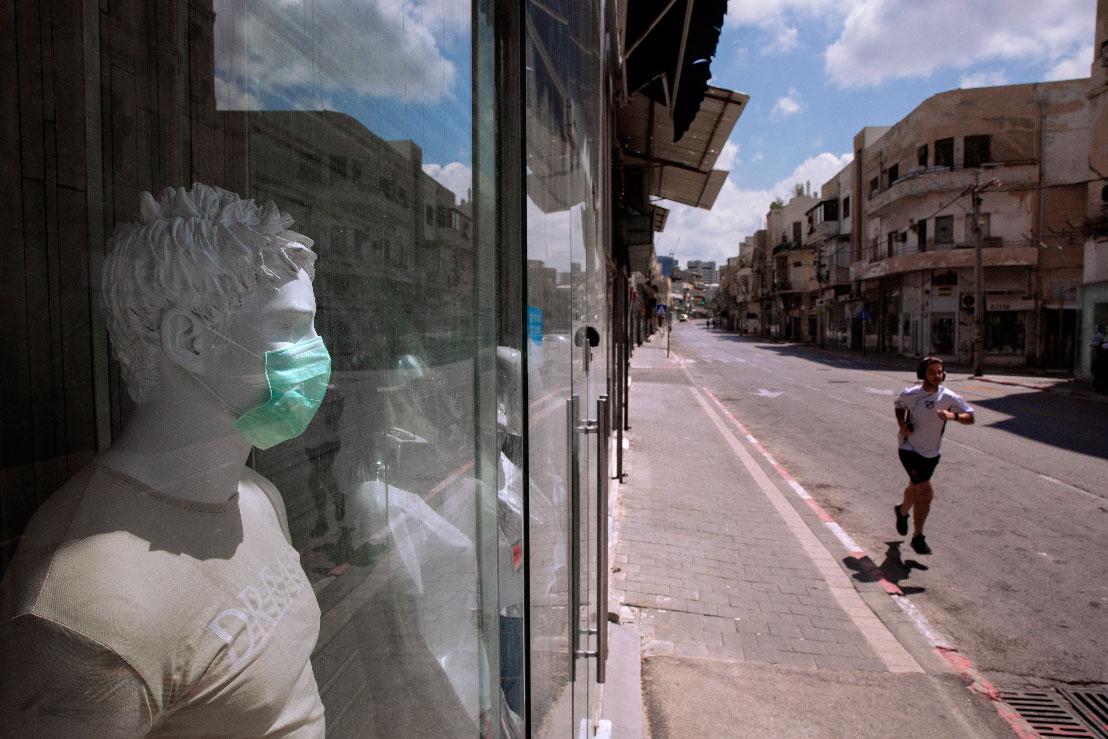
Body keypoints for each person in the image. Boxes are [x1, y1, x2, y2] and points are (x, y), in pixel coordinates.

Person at [0, 184, 328, 735]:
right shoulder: (87, 610)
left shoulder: (256, 497)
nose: (318, 352)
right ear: (190, 340)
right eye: (290, 329)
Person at [893, 356, 975, 555]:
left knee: (915, 488)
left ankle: (902, 512)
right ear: (922, 374)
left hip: (932, 452)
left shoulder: (949, 397)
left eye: (940, 372)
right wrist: (903, 425)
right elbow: (899, 406)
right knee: (926, 492)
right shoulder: (911, 394)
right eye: (932, 372)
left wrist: (953, 416)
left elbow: (970, 417)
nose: (937, 376)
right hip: (909, 449)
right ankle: (918, 537)